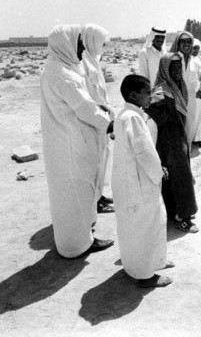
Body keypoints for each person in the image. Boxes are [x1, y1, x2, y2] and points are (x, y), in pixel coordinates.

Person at [40, 24, 114, 258]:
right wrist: (111, 124)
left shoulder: (57, 67)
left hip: (64, 143)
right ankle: (79, 244)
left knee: (70, 196)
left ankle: (77, 239)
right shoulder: (63, 75)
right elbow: (85, 108)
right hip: (71, 145)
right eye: (79, 44)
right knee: (76, 194)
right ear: (67, 44)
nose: (82, 49)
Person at [112, 74, 173, 288]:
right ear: (133, 95)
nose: (150, 97)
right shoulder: (133, 118)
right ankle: (146, 275)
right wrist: (159, 171)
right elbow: (144, 151)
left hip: (130, 178)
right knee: (145, 225)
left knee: (139, 225)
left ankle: (154, 262)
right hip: (138, 180)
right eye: (147, 93)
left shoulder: (126, 114)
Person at [146, 54, 198, 233]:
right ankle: (183, 217)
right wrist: (168, 119)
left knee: (176, 176)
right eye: (173, 68)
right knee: (180, 175)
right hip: (169, 140)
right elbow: (149, 106)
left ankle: (174, 211)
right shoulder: (162, 89)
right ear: (165, 69)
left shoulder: (178, 85)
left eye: (179, 67)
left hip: (178, 136)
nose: (177, 71)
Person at [81, 23, 115, 213]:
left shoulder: (93, 59)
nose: (103, 46)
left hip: (104, 117)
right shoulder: (83, 62)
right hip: (96, 119)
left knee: (104, 159)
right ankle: (94, 201)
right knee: (96, 161)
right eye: (101, 42)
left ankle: (99, 195)